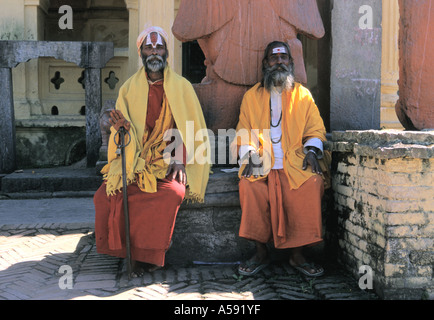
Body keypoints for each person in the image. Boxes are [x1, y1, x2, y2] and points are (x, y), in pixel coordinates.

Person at [94, 26, 210, 277]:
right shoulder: (128, 88)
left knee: (171, 193)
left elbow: (188, 127)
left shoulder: (181, 87)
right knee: (106, 195)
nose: (154, 52)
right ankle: (128, 255)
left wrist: (179, 161)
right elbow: (122, 132)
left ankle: (147, 256)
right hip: (135, 158)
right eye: (149, 47)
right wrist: (121, 129)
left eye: (159, 47)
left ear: (166, 51)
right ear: (141, 52)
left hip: (166, 159)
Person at [231, 41, 330, 277]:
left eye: (284, 58)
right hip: (261, 161)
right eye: (273, 59)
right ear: (265, 64)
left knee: (312, 184)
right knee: (249, 186)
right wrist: (251, 154)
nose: (279, 62)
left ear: (291, 63)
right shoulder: (251, 96)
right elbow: (243, 131)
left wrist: (312, 152)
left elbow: (316, 130)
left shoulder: (303, 95)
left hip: (294, 162)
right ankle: (260, 252)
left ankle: (298, 255)